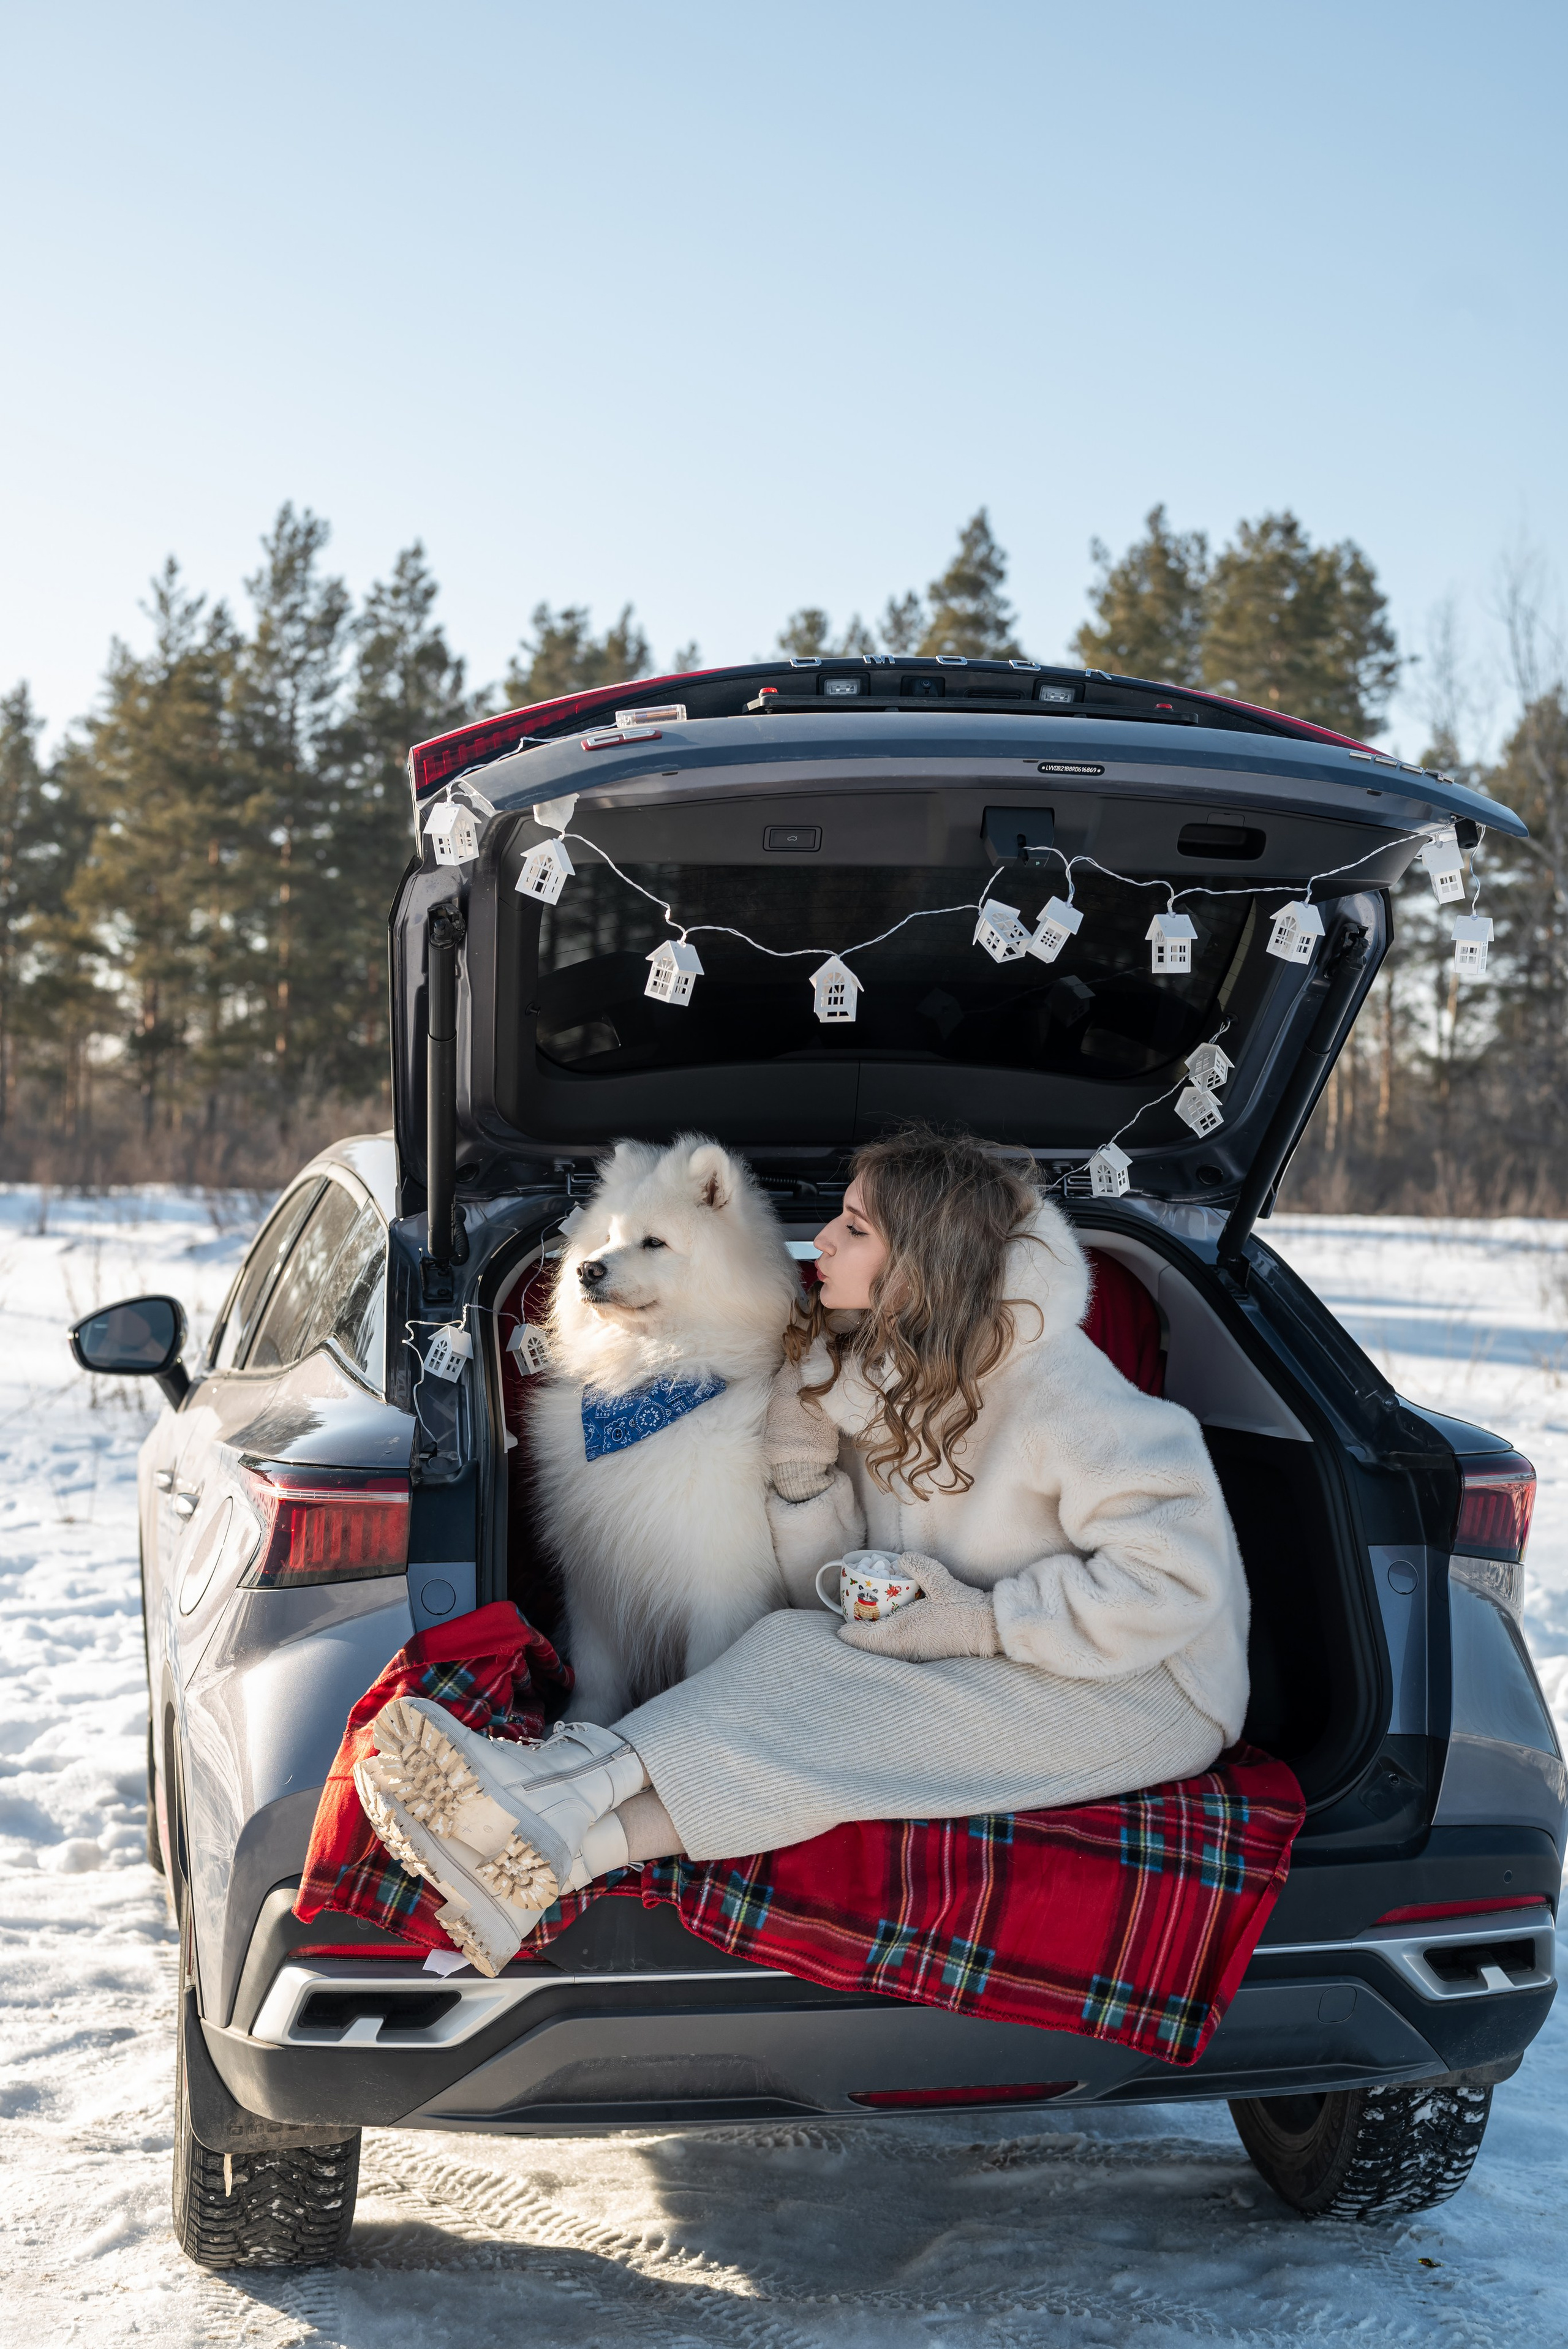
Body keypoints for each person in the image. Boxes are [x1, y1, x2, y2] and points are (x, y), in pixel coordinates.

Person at [356, 1128, 1251, 1976]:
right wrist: (800, 1477)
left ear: (921, 1263)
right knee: (793, 1649)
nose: (818, 1239)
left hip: (1143, 1688)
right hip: (994, 1656)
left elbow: (1175, 1582)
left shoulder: (1065, 1391)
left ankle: (556, 1781)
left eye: (853, 1228)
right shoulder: (878, 1378)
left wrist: (980, 1620)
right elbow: (824, 1586)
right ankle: (558, 1853)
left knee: (826, 1691)